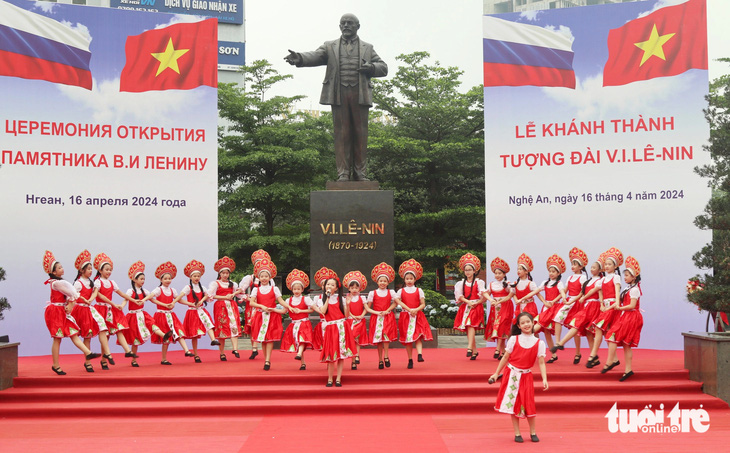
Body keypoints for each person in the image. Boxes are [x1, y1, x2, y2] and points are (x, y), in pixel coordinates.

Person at [284, 13, 388, 181]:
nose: (346, 25)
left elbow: (383, 67)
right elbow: (315, 55)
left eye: (350, 23)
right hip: (338, 94)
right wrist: (301, 58)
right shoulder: (329, 46)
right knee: (342, 133)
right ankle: (343, 173)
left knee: (360, 134)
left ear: (357, 26)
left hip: (360, 94)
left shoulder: (368, 47)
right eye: (343, 23)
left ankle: (360, 173)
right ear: (340, 26)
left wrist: (371, 67)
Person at [489, 312, 548, 443]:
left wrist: (545, 378)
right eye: (523, 323)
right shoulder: (513, 340)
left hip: (526, 375)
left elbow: (542, 362)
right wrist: (495, 373)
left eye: (528, 321)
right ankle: (517, 433)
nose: (526, 324)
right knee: (513, 403)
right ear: (519, 326)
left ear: (533, 323)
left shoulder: (539, 343)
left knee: (529, 403)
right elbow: (505, 357)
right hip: (511, 375)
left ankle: (533, 431)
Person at [42, 250, 101, 375]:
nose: (62, 269)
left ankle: (88, 353)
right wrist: (73, 302)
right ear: (53, 272)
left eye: (61, 266)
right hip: (56, 312)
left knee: (73, 333)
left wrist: (72, 302)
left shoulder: (60, 282)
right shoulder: (56, 283)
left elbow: (72, 294)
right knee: (57, 339)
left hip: (62, 311)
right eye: (59, 267)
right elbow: (73, 293)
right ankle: (56, 365)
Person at [552, 253, 606, 367]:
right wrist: (565, 297)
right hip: (586, 305)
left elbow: (594, 292)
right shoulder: (589, 280)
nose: (592, 269)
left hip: (592, 306)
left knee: (578, 325)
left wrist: (586, 299)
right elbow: (583, 292)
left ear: (600, 269)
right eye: (591, 267)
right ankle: (593, 357)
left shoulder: (599, 280)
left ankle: (561, 343)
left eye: (594, 267)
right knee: (588, 332)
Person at [92, 252, 138, 369]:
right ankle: (104, 360)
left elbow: (121, 293)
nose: (108, 272)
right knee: (105, 335)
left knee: (119, 330)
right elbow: (101, 296)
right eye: (106, 269)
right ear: (100, 270)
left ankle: (127, 350)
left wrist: (133, 300)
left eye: (110, 270)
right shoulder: (97, 282)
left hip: (110, 310)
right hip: (101, 309)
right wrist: (113, 304)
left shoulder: (112, 283)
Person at [141, 262, 192, 364]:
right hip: (161, 315)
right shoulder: (159, 289)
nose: (168, 280)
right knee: (166, 338)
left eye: (169, 278)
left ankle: (187, 351)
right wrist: (144, 300)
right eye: (165, 278)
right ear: (161, 280)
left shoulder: (172, 290)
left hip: (171, 315)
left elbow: (179, 300)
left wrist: (190, 303)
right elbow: (151, 296)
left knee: (179, 332)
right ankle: (164, 359)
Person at [71, 250, 113, 372]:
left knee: (102, 328)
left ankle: (106, 355)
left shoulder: (92, 282)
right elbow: (73, 295)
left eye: (91, 268)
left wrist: (90, 299)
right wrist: (84, 298)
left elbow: (95, 292)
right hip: (81, 311)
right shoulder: (78, 283)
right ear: (81, 270)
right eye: (88, 269)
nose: (90, 271)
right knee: (87, 337)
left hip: (90, 309)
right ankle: (87, 362)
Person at [123, 261, 172, 367]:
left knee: (153, 325)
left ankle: (164, 335)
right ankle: (134, 360)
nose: (143, 281)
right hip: (133, 316)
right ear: (134, 280)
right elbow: (125, 300)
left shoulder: (144, 291)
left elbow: (153, 300)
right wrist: (121, 307)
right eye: (141, 279)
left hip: (142, 314)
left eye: (144, 279)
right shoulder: (130, 291)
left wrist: (164, 304)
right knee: (136, 339)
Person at [603, 256, 643, 382]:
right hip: (626, 315)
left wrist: (619, 308)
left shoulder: (635, 290)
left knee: (614, 336)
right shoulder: (627, 288)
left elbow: (632, 305)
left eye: (627, 275)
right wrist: (609, 307)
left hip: (631, 316)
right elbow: (619, 302)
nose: (625, 277)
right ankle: (627, 369)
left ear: (634, 277)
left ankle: (610, 362)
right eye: (625, 275)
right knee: (624, 344)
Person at [174, 260, 219, 363]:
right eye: (194, 276)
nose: (197, 278)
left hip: (201, 310)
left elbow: (207, 295)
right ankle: (196, 355)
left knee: (209, 324)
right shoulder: (188, 287)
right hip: (192, 312)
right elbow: (180, 297)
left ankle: (213, 340)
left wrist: (201, 301)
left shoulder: (202, 287)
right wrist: (188, 303)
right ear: (190, 277)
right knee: (195, 335)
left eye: (198, 276)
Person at [586, 248, 623, 369]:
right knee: (607, 332)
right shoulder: (602, 280)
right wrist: (601, 304)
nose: (606, 266)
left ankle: (592, 355)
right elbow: (596, 290)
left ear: (615, 266)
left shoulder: (616, 277)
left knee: (598, 327)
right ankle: (615, 359)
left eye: (609, 264)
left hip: (613, 307)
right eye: (605, 264)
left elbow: (617, 295)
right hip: (606, 307)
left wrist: (613, 306)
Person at [526, 255, 566, 363]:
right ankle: (553, 355)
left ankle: (526, 350)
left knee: (534, 329)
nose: (551, 273)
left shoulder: (559, 283)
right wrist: (527, 297)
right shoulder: (545, 282)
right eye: (550, 271)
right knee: (546, 333)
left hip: (554, 309)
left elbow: (562, 292)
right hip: (546, 308)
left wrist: (556, 300)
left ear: (558, 273)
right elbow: (537, 291)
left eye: (554, 271)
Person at [248, 258, 286, 371]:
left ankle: (267, 360)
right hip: (260, 316)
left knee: (269, 339)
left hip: (272, 316)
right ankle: (266, 359)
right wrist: (261, 306)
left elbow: (281, 301)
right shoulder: (256, 290)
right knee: (263, 340)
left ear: (270, 277)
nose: (264, 278)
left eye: (266, 276)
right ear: (258, 278)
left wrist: (288, 307)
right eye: (262, 276)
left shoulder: (274, 289)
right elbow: (251, 302)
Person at [552, 247, 588, 364]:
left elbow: (583, 291)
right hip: (568, 301)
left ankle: (578, 353)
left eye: (575, 264)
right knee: (557, 318)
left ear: (581, 267)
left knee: (575, 328)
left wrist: (573, 300)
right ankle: (558, 342)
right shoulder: (570, 277)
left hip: (577, 303)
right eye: (572, 264)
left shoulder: (583, 277)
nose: (572, 266)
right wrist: (562, 296)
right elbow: (565, 289)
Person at [320, 276, 357, 387]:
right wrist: (327, 298)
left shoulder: (340, 299)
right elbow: (322, 311)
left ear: (336, 288)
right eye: (328, 284)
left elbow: (346, 315)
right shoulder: (321, 298)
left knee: (341, 354)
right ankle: (330, 378)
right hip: (330, 328)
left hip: (341, 327)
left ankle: (339, 379)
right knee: (331, 355)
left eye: (332, 285)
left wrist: (349, 304)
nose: (329, 286)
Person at [395, 259, 432, 369]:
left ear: (415, 279)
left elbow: (423, 304)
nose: (409, 280)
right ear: (404, 279)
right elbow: (398, 301)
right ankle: (410, 359)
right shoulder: (401, 291)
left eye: (411, 278)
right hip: (406, 316)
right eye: (407, 279)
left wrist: (415, 309)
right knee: (408, 339)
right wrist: (409, 309)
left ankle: (420, 354)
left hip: (417, 315)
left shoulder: (419, 290)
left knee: (418, 336)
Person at [208, 256, 244, 361]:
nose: (225, 275)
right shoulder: (215, 283)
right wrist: (225, 297)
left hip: (231, 306)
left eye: (227, 273)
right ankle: (222, 353)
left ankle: (235, 349)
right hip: (220, 307)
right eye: (223, 273)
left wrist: (238, 295)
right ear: (219, 273)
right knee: (221, 328)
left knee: (234, 326)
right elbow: (211, 295)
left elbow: (239, 294)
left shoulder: (232, 284)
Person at [453, 253, 486, 360]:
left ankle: (469, 348)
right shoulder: (461, 283)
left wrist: (476, 303)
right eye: (466, 270)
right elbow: (460, 296)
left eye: (469, 270)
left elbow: (483, 296)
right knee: (468, 328)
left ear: (474, 271)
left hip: (476, 306)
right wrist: (468, 302)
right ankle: (475, 351)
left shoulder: (479, 282)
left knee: (470, 324)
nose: (467, 272)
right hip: (466, 306)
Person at [280, 269, 314, 371]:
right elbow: (284, 311)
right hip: (294, 324)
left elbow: (312, 310)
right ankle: (302, 363)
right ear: (292, 289)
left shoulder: (306, 299)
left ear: (302, 289)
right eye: (294, 289)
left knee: (302, 339)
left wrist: (301, 311)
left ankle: (299, 354)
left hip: (304, 322)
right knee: (299, 342)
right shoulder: (288, 300)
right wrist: (272, 310)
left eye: (298, 289)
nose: (296, 291)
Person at [239, 249, 271, 359]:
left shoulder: (269, 279)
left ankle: (264, 345)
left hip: (265, 306)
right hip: (252, 305)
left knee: (263, 325)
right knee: (252, 326)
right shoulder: (250, 278)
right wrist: (245, 297)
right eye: (258, 263)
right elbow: (241, 289)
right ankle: (254, 348)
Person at [365, 262, 398, 369]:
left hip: (387, 317)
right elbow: (368, 307)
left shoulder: (391, 292)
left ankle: (386, 356)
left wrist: (387, 310)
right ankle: (380, 359)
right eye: (381, 281)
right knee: (378, 339)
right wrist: (376, 312)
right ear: (377, 281)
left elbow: (395, 302)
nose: (383, 283)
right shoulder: (372, 293)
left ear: (388, 282)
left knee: (386, 337)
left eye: (385, 281)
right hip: (377, 317)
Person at [484, 257, 514, 360]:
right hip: (495, 307)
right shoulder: (491, 284)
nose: (497, 275)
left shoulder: (508, 284)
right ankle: (504, 352)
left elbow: (510, 295)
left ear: (504, 274)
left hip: (505, 306)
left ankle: (497, 349)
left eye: (499, 273)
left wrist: (500, 301)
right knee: (496, 328)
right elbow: (486, 294)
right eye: (496, 273)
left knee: (501, 325)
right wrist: (491, 300)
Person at [342, 270, 368, 370]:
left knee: (357, 340)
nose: (354, 289)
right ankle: (353, 360)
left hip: (359, 321)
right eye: (352, 288)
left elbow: (366, 308)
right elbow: (346, 312)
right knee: (351, 341)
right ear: (348, 288)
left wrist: (361, 315)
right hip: (350, 321)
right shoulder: (346, 299)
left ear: (359, 288)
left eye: (356, 288)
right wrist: (352, 316)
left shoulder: (362, 298)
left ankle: (356, 356)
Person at [312, 267, 337, 351]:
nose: (328, 286)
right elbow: (315, 308)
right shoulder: (317, 298)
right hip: (323, 322)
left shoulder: (338, 298)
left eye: (331, 284)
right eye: (324, 284)